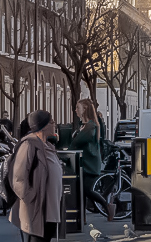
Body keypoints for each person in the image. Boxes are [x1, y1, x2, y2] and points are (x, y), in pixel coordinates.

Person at [9, 110, 63, 242]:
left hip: (51, 210)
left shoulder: (48, 145)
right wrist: (31, 197)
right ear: (43, 126)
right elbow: (18, 177)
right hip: (37, 209)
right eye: (51, 121)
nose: (54, 123)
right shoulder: (29, 144)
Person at [69, 99, 114, 220]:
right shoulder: (85, 126)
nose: (76, 110)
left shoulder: (89, 127)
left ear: (84, 110)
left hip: (89, 164)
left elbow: (76, 143)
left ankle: (107, 206)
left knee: (86, 190)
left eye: (78, 108)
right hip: (86, 163)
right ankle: (81, 218)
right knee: (81, 190)